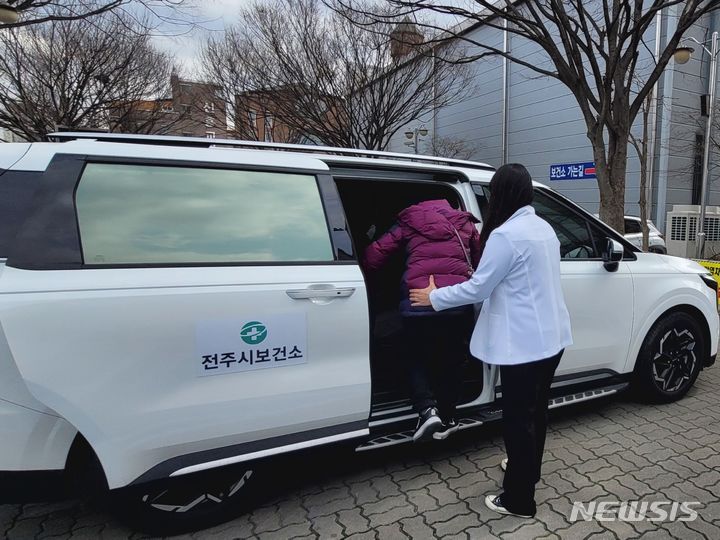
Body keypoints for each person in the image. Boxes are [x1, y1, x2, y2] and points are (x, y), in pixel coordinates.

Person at [409, 164, 572, 518]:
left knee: (518, 419)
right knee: (535, 413)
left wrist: (434, 297)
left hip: (524, 346)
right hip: (551, 338)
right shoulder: (542, 228)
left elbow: (478, 287)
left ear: (499, 194)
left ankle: (518, 500)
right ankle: (527, 469)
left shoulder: (505, 235)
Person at [363, 198, 480, 442]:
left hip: (418, 302)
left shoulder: (409, 220)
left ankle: (427, 409)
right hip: (455, 301)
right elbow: (480, 262)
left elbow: (373, 256)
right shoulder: (465, 222)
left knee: (413, 355)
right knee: (454, 359)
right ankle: (448, 416)